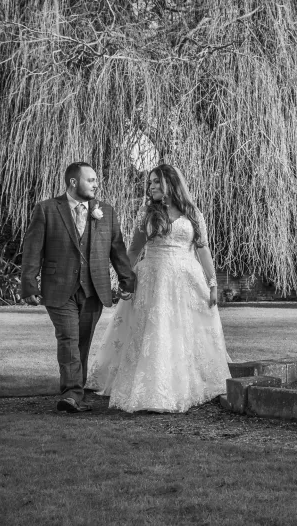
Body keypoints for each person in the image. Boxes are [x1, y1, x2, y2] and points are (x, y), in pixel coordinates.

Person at [86, 164, 232, 413]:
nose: (151, 187)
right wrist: (124, 279)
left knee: (185, 331)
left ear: (170, 184)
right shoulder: (147, 213)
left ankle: (186, 380)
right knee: (155, 330)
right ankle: (152, 384)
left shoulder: (192, 212)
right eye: (150, 182)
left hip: (187, 280)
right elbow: (133, 249)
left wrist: (213, 282)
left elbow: (202, 248)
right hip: (153, 278)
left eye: (155, 182)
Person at [20, 162, 137, 413]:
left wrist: (127, 280)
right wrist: (29, 284)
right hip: (58, 287)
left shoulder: (106, 211)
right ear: (73, 182)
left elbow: (117, 249)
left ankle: (75, 392)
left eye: (96, 180)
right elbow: (32, 250)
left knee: (82, 342)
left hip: (94, 288)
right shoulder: (46, 209)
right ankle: (72, 394)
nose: (96, 184)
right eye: (91, 180)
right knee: (68, 338)